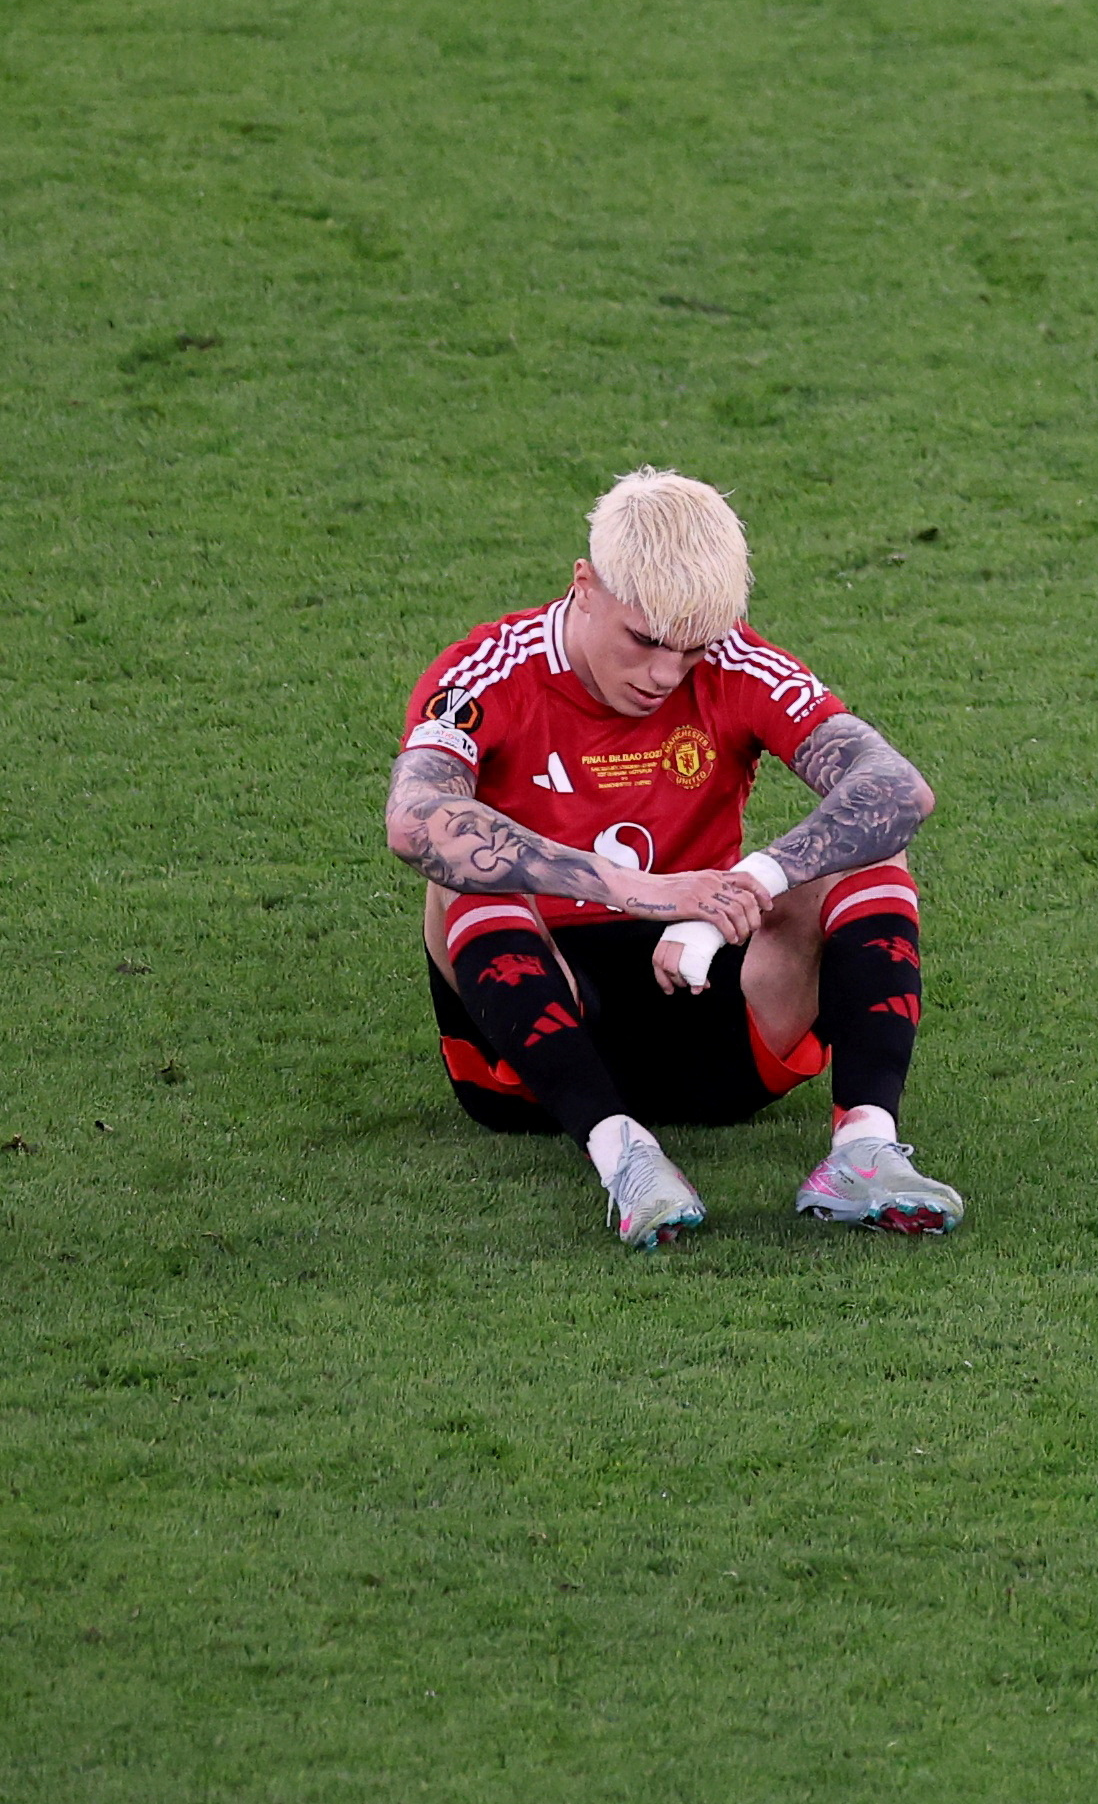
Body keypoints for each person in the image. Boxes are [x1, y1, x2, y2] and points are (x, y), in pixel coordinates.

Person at [382, 467, 960, 1247]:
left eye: (690, 650)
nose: (664, 673)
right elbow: (414, 820)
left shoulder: (737, 661)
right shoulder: (488, 672)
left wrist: (749, 883)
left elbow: (896, 788)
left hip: (708, 1015)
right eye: (645, 639)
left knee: (869, 857)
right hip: (529, 1053)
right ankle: (622, 1154)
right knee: (462, 878)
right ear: (584, 585)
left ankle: (863, 1147)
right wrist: (640, 890)